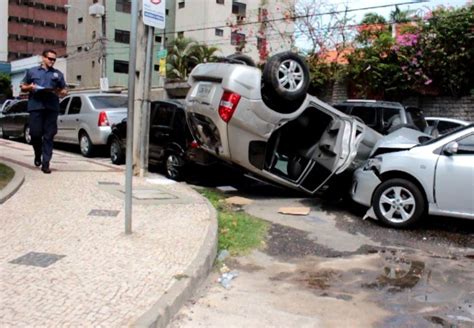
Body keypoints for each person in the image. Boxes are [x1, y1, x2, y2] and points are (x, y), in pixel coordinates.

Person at [20, 49, 67, 174]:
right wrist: (30, 87)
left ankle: (46, 163)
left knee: (49, 136)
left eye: (54, 59)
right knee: (35, 134)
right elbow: (23, 87)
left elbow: (64, 90)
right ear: (43, 58)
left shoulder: (58, 74)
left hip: (51, 108)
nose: (52, 61)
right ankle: (37, 153)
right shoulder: (32, 71)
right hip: (36, 107)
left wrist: (62, 92)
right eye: (50, 58)